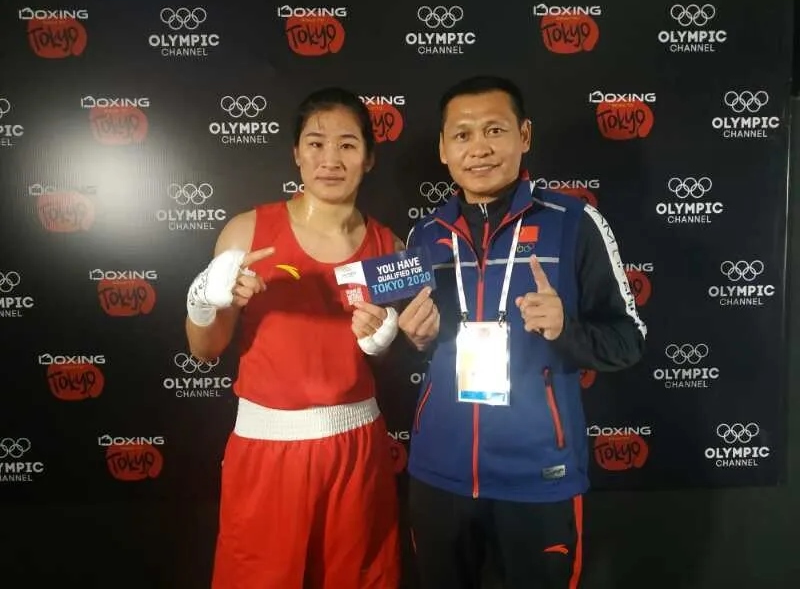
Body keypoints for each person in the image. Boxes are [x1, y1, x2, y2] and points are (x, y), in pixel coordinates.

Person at [398, 75, 648, 589]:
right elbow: (418, 346)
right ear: (443, 148)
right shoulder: (425, 234)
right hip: (438, 474)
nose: (479, 148)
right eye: (462, 135)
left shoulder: (575, 223)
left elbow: (629, 339)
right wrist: (416, 340)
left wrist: (565, 330)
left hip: (538, 477)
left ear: (524, 135)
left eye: (495, 130)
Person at [184, 87, 404, 589]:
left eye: (347, 145)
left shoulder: (388, 246)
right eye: (316, 143)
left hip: (358, 448)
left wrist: (381, 340)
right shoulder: (246, 232)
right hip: (268, 450)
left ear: (368, 158)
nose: (331, 159)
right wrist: (204, 300)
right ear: (297, 153)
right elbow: (204, 349)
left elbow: (389, 355)